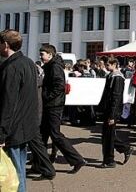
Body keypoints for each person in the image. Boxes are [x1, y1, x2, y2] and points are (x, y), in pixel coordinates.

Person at [0, 30, 40, 191]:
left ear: (6, 45)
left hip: (13, 129)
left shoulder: (12, 67)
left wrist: (2, 133)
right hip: (25, 126)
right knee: (19, 169)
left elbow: (8, 103)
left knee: (13, 172)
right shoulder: (28, 62)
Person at [39, 44, 87, 174]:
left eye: (43, 54)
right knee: (42, 134)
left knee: (55, 134)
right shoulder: (51, 66)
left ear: (50, 55)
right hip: (51, 104)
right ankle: (39, 162)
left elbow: (59, 86)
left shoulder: (54, 67)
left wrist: (46, 97)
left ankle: (77, 159)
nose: (41, 56)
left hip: (53, 105)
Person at [100, 57, 133, 168]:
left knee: (109, 136)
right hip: (108, 109)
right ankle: (124, 149)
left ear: (114, 64)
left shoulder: (117, 78)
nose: (105, 67)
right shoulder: (111, 76)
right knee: (107, 135)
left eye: (107, 65)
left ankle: (110, 160)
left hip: (112, 111)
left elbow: (116, 97)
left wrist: (112, 115)